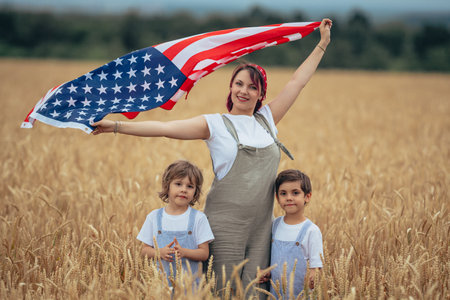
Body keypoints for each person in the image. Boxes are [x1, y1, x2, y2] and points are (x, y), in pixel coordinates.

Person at [93, 18, 332, 294]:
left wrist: (322, 44)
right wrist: (116, 126)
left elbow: (297, 82)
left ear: (261, 93)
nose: (244, 91)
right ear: (231, 88)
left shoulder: (267, 120)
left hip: (261, 228)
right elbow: (164, 128)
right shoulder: (214, 124)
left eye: (252, 87)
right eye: (239, 84)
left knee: (255, 293)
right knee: (223, 291)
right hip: (224, 225)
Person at [136, 160, 214, 282]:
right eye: (178, 184)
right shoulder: (153, 217)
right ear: (167, 186)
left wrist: (184, 252)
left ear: (195, 192)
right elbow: (144, 251)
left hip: (189, 287)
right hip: (160, 287)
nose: (184, 189)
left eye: (190, 186)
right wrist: (159, 252)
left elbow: (204, 253)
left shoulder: (199, 218)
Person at [266, 169, 323, 299]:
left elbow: (316, 267)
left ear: (307, 197)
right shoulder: (275, 225)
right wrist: (268, 272)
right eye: (283, 193)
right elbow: (276, 260)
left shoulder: (311, 231)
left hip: (299, 295)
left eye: (295, 193)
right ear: (277, 198)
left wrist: (313, 277)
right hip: (275, 294)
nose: (289, 198)